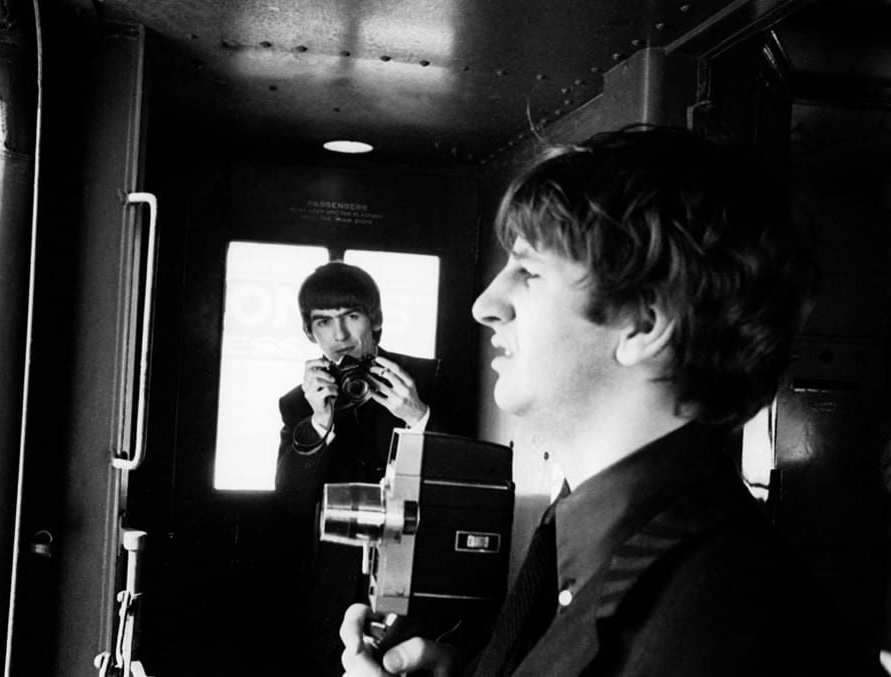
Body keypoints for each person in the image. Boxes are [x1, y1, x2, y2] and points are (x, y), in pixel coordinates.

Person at [338, 126, 882, 676]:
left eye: (528, 271)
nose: (485, 305)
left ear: (644, 322)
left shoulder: (728, 625)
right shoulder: (600, 544)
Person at [276, 260, 449, 677]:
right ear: (309, 332)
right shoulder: (298, 403)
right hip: (333, 589)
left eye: (351, 317)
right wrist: (318, 422)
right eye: (323, 322)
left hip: (415, 580)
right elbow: (290, 499)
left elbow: (467, 477)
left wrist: (420, 417)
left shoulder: (426, 377)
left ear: (376, 320)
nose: (339, 336)